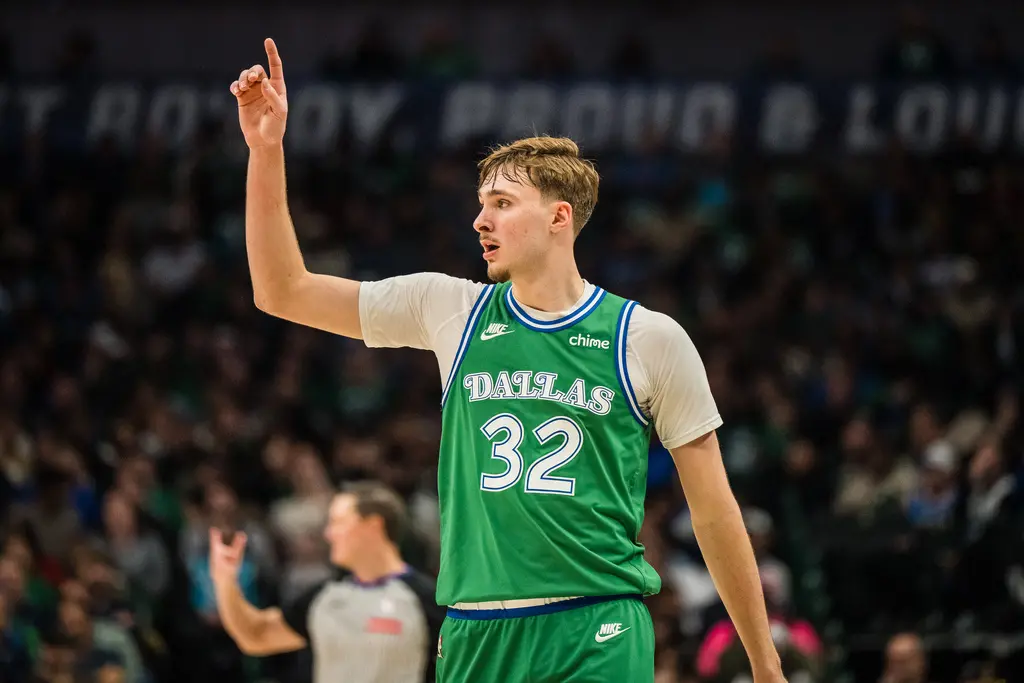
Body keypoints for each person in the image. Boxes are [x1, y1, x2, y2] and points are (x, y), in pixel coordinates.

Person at [228, 38, 785, 683]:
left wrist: (764, 662)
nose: (479, 220)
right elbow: (282, 292)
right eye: (480, 203)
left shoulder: (649, 338)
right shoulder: (451, 309)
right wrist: (265, 152)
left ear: (559, 217)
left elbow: (714, 512)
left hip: (594, 625)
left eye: (501, 203)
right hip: (475, 631)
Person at [211, 481, 443, 683]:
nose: (329, 534)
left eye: (338, 522)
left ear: (373, 525)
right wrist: (225, 581)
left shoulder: (426, 601)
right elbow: (256, 636)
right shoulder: (324, 598)